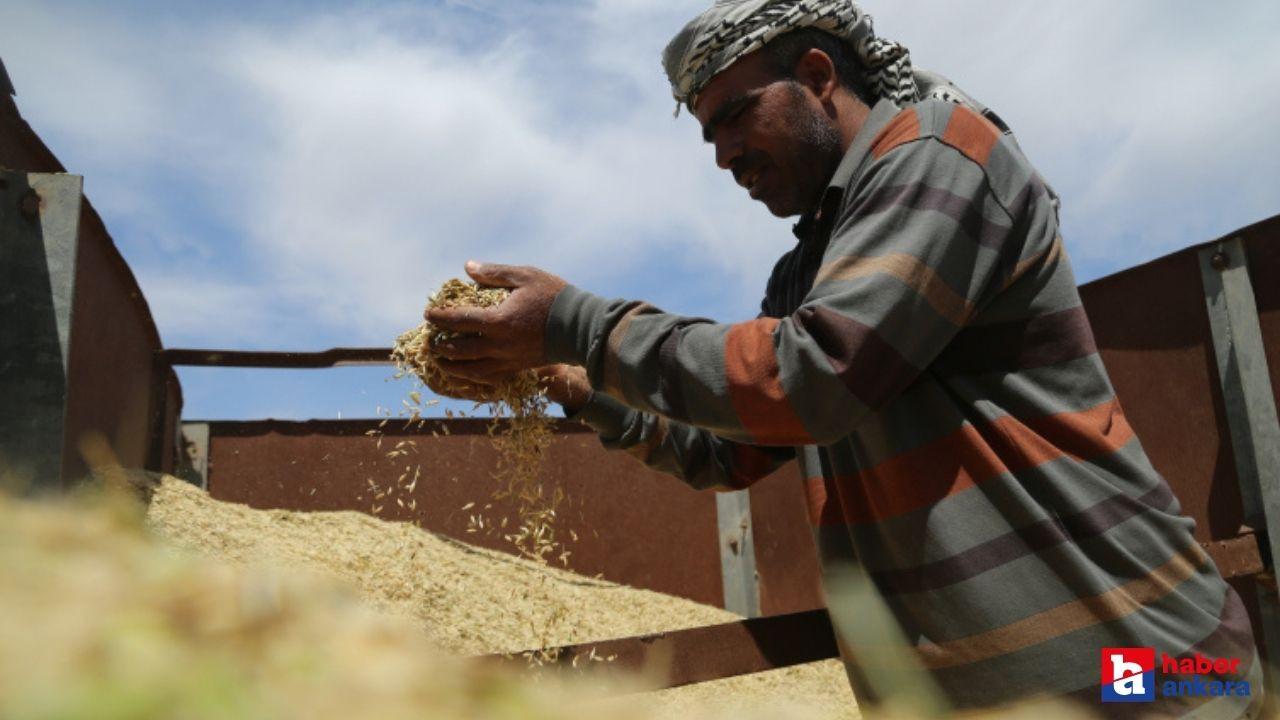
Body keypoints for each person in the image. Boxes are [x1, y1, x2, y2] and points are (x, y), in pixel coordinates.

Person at [424, 1, 1262, 715]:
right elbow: (727, 446)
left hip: (1146, 673)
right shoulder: (808, 272)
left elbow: (811, 377)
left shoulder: (941, 156)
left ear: (820, 75)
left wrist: (577, 323)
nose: (723, 156)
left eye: (734, 117)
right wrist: (564, 379)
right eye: (707, 136)